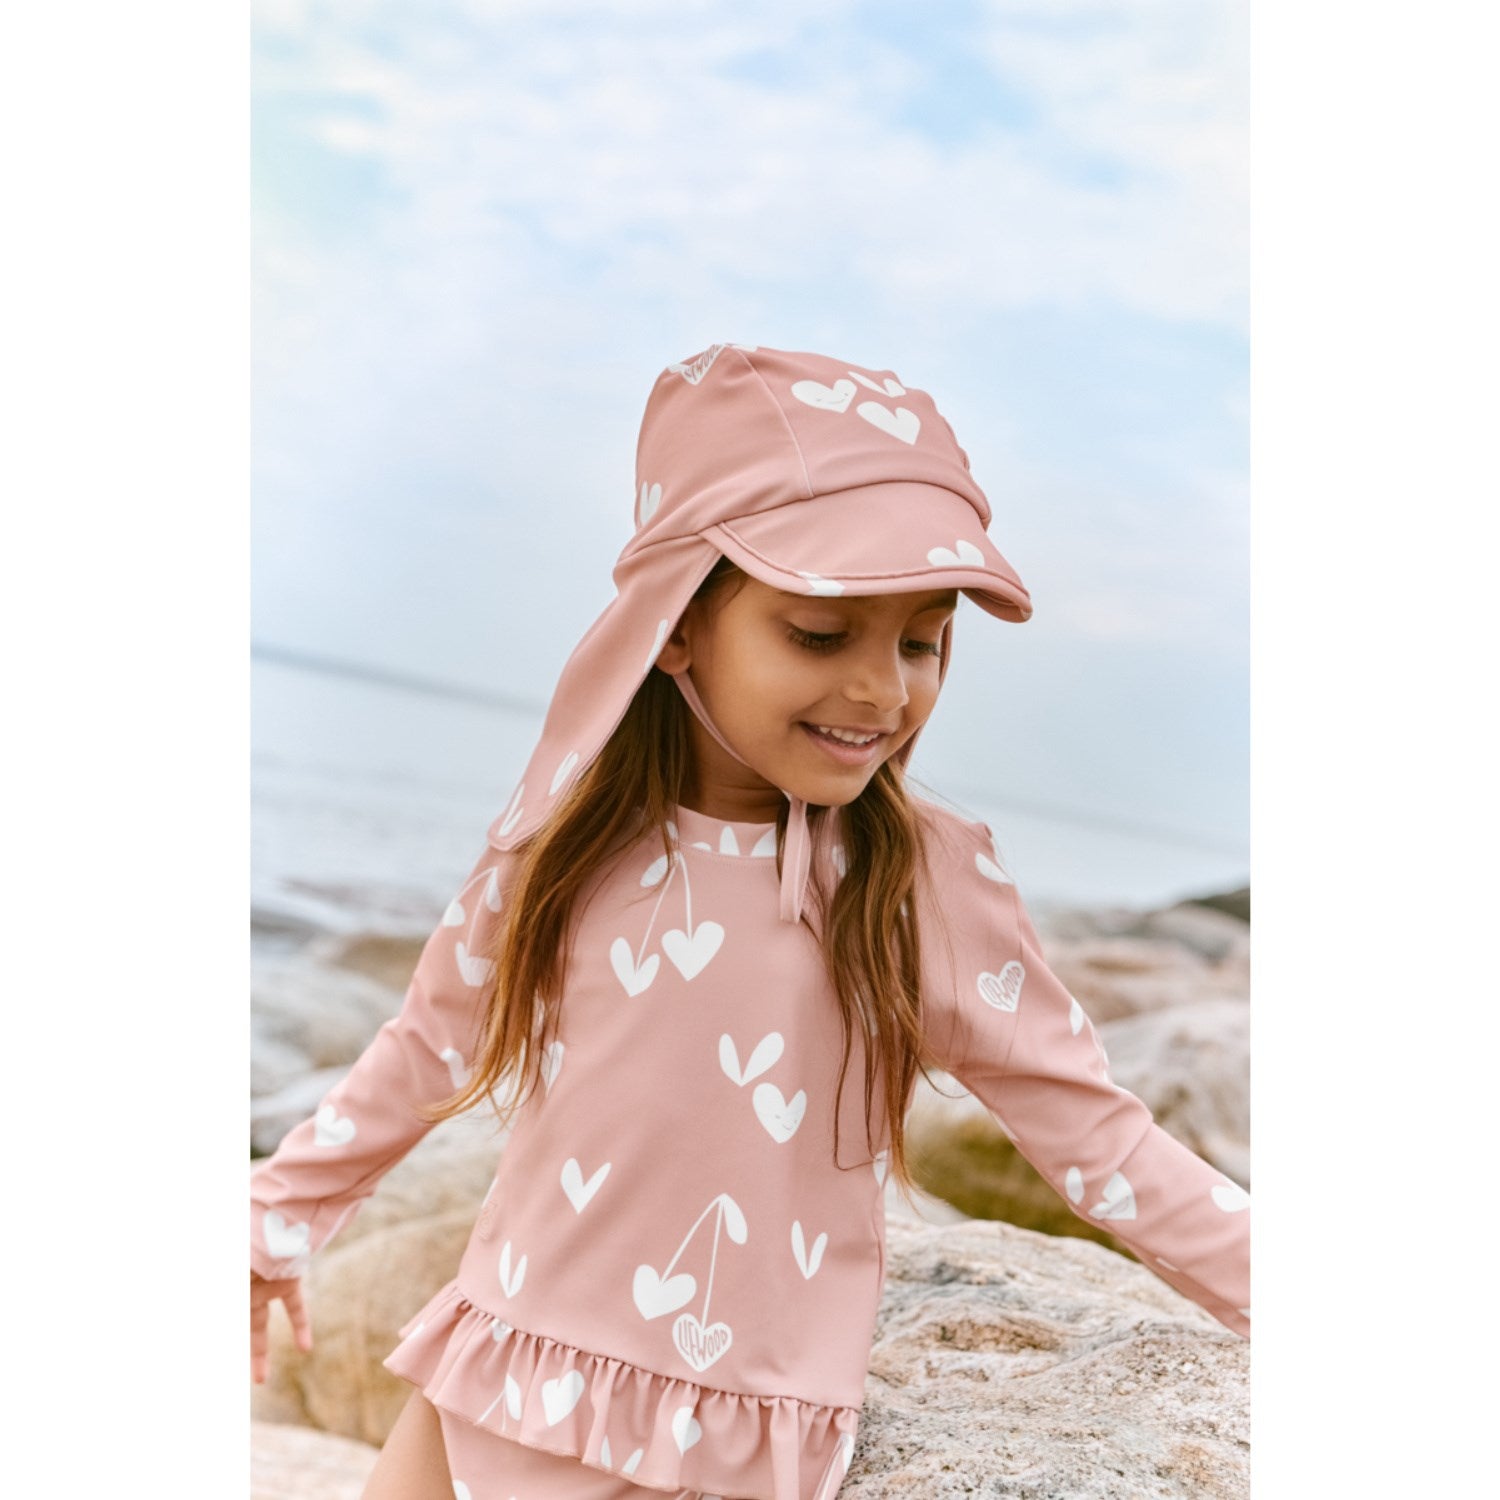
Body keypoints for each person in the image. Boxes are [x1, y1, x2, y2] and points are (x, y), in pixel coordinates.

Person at [250, 342, 1250, 1500]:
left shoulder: (918, 880)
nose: (883, 690)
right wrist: (276, 1214)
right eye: (820, 634)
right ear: (675, 623)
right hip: (492, 1368)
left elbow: (1100, 1140)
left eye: (921, 640)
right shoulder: (564, 843)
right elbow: (430, 1042)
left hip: (715, 1446)